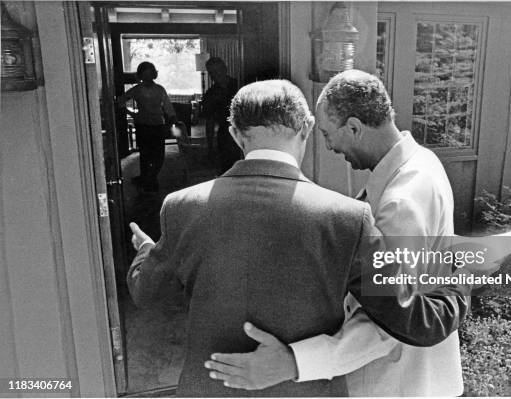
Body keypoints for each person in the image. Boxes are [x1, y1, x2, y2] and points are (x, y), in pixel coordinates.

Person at [127, 79, 471, 397]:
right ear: (304, 128)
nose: (330, 145)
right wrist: (464, 279)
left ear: (234, 134)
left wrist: (146, 252)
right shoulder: (348, 218)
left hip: (213, 387)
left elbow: (150, 296)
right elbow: (406, 315)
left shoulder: (181, 206)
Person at [117, 61, 177, 192]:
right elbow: (120, 101)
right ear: (140, 75)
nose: (148, 77)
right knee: (145, 154)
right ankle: (147, 179)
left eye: (150, 73)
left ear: (154, 74)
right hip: (142, 125)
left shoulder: (160, 89)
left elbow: (167, 106)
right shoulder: (137, 90)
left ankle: (150, 177)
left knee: (159, 155)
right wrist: (132, 113)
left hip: (157, 125)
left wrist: (172, 118)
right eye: (145, 74)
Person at [201, 57, 241, 173]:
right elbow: (210, 122)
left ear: (225, 69)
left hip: (246, 131)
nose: (216, 74)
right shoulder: (210, 95)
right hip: (226, 136)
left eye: (218, 70)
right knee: (228, 170)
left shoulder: (240, 85)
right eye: (212, 72)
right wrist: (210, 147)